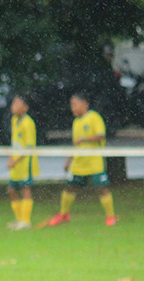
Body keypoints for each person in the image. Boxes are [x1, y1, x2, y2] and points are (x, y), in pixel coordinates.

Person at [47, 91, 118, 227]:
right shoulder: (76, 122)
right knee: (69, 187)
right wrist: (68, 161)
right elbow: (75, 144)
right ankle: (64, 214)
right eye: (71, 105)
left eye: (75, 104)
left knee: (102, 188)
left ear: (84, 104)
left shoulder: (94, 117)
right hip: (79, 162)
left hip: (94, 161)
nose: (72, 108)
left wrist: (84, 139)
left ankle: (111, 217)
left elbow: (101, 135)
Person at [6, 94, 39, 230]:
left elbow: (29, 147)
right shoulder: (14, 120)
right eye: (13, 103)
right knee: (11, 189)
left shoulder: (28, 123)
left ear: (25, 108)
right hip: (15, 163)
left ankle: (26, 221)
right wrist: (10, 158)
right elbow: (15, 143)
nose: (14, 106)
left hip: (25, 163)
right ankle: (19, 219)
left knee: (25, 189)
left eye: (17, 103)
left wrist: (17, 160)